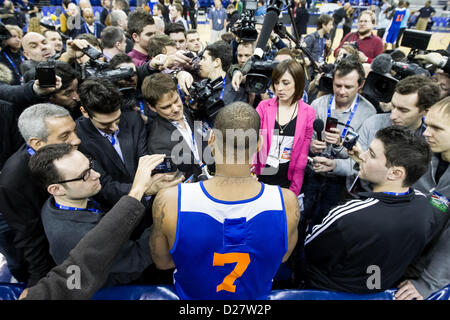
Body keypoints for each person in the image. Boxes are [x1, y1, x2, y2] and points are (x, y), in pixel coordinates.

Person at [150, 102, 300, 299]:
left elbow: (162, 262)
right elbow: (281, 257)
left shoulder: (170, 201)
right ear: (259, 144)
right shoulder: (287, 202)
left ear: (211, 139)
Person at [304, 126, 439, 293]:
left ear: (396, 173)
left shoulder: (349, 216)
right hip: (380, 288)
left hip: (330, 290)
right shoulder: (426, 207)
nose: (362, 156)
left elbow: (311, 250)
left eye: (372, 154)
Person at [28, 144, 178, 288]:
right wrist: (166, 214)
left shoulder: (63, 200)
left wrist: (145, 191)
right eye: (84, 175)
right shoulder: (74, 235)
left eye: (90, 166)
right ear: (56, 189)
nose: (96, 175)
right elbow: (137, 257)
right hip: (127, 283)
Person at [0, 103, 81, 286]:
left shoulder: (67, 150)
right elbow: (30, 238)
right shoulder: (13, 182)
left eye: (74, 131)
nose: (76, 140)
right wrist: (38, 281)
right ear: (37, 143)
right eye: (65, 136)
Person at [303, 57, 376, 228]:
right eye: (338, 85)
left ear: (361, 85)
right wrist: (311, 146)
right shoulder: (318, 104)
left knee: (325, 224)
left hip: (340, 184)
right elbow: (304, 140)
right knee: (301, 217)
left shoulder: (368, 113)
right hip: (312, 175)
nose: (341, 91)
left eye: (348, 87)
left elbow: (361, 161)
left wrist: (339, 149)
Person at [396, 97, 450, 300]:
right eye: (427, 125)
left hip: (425, 274)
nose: (427, 133)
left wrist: (429, 283)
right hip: (400, 260)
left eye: (437, 128)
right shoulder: (423, 157)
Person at [75, 78, 149, 209]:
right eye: (105, 124)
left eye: (117, 119)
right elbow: (102, 186)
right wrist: (144, 189)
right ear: (85, 112)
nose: (115, 128)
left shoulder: (134, 119)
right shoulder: (78, 139)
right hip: (115, 210)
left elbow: (145, 159)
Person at [254, 59, 315, 198]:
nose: (279, 88)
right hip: (260, 178)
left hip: (286, 181)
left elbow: (302, 157)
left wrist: (293, 192)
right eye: (276, 83)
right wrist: (251, 176)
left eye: (285, 83)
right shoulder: (263, 107)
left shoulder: (308, 112)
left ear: (298, 83)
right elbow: (253, 145)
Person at [142, 73, 206, 180]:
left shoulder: (188, 111)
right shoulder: (157, 144)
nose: (176, 109)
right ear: (152, 107)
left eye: (176, 100)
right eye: (166, 107)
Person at [198, 40, 248, 108]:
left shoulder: (236, 91)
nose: (200, 63)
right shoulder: (202, 85)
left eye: (204, 59)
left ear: (217, 62)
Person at [302, 14, 333, 79]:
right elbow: (302, 55)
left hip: (321, 70)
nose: (332, 27)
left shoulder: (326, 38)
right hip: (311, 72)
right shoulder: (311, 38)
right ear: (323, 25)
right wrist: (313, 63)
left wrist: (328, 48)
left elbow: (327, 55)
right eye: (330, 24)